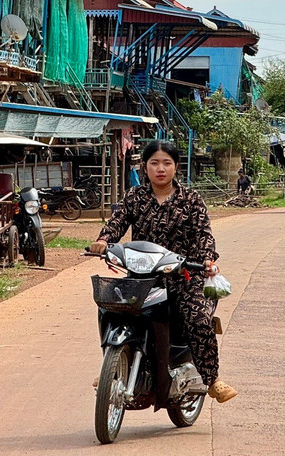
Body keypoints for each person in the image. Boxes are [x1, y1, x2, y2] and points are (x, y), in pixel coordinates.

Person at [88, 140, 237, 403]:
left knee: (198, 318)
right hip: (142, 277)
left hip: (184, 277)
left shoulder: (191, 200)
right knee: (111, 308)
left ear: (176, 167)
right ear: (144, 167)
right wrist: (103, 241)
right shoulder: (134, 197)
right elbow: (116, 224)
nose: (160, 169)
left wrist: (206, 259)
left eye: (167, 163)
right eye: (154, 163)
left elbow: (204, 236)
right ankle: (113, 367)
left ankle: (212, 379)